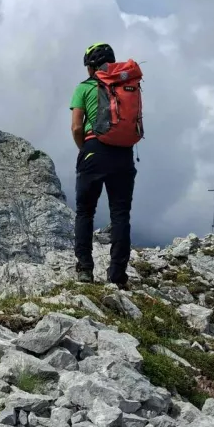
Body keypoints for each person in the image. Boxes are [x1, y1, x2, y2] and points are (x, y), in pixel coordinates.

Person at [69, 42, 141, 288]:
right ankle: (117, 276)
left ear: (91, 67)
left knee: (85, 212)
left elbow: (76, 127)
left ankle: (85, 270)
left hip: (94, 149)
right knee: (120, 214)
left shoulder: (84, 87)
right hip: (124, 153)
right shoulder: (126, 85)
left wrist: (85, 149)